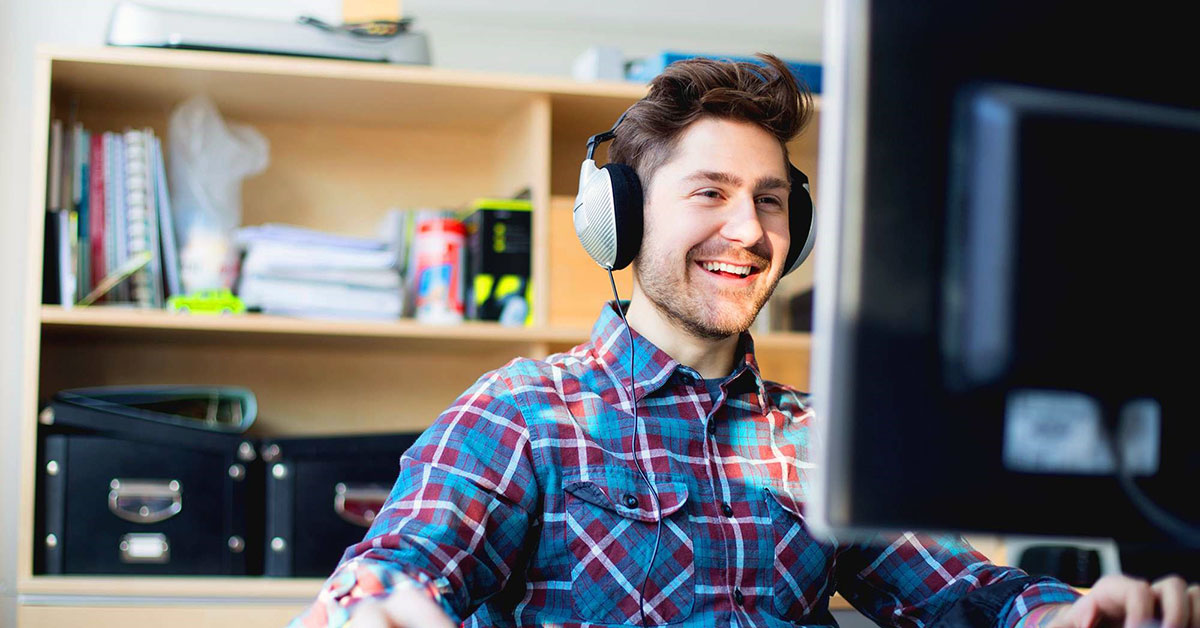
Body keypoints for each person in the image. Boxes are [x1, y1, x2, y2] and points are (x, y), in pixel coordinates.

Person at [292, 54, 1199, 628]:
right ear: (623, 221)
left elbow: (969, 596)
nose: (749, 231)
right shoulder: (523, 411)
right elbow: (393, 569)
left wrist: (1073, 615)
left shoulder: (820, 442)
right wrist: (370, 609)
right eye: (709, 193)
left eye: (770, 202)